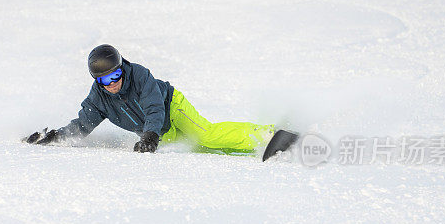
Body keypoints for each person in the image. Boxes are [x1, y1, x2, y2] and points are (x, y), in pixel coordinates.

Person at [25, 44, 277, 154]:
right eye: (103, 80)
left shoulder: (140, 75)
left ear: (122, 67)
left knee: (205, 135)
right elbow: (82, 125)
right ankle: (252, 147)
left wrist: (149, 136)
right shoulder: (98, 100)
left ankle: (268, 135)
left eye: (115, 75)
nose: (111, 84)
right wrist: (57, 136)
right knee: (199, 147)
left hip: (172, 107)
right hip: (156, 131)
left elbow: (154, 107)